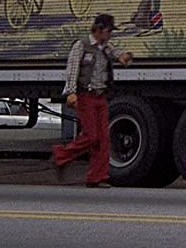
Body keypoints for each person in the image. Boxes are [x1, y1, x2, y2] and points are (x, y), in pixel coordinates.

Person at [51, 13, 133, 188]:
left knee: (103, 139)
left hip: (100, 95)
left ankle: (97, 177)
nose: (110, 34)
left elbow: (117, 54)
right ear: (99, 29)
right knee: (91, 136)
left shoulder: (105, 48)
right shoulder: (82, 45)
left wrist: (124, 58)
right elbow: (72, 69)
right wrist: (71, 92)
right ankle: (60, 155)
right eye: (109, 30)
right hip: (85, 95)